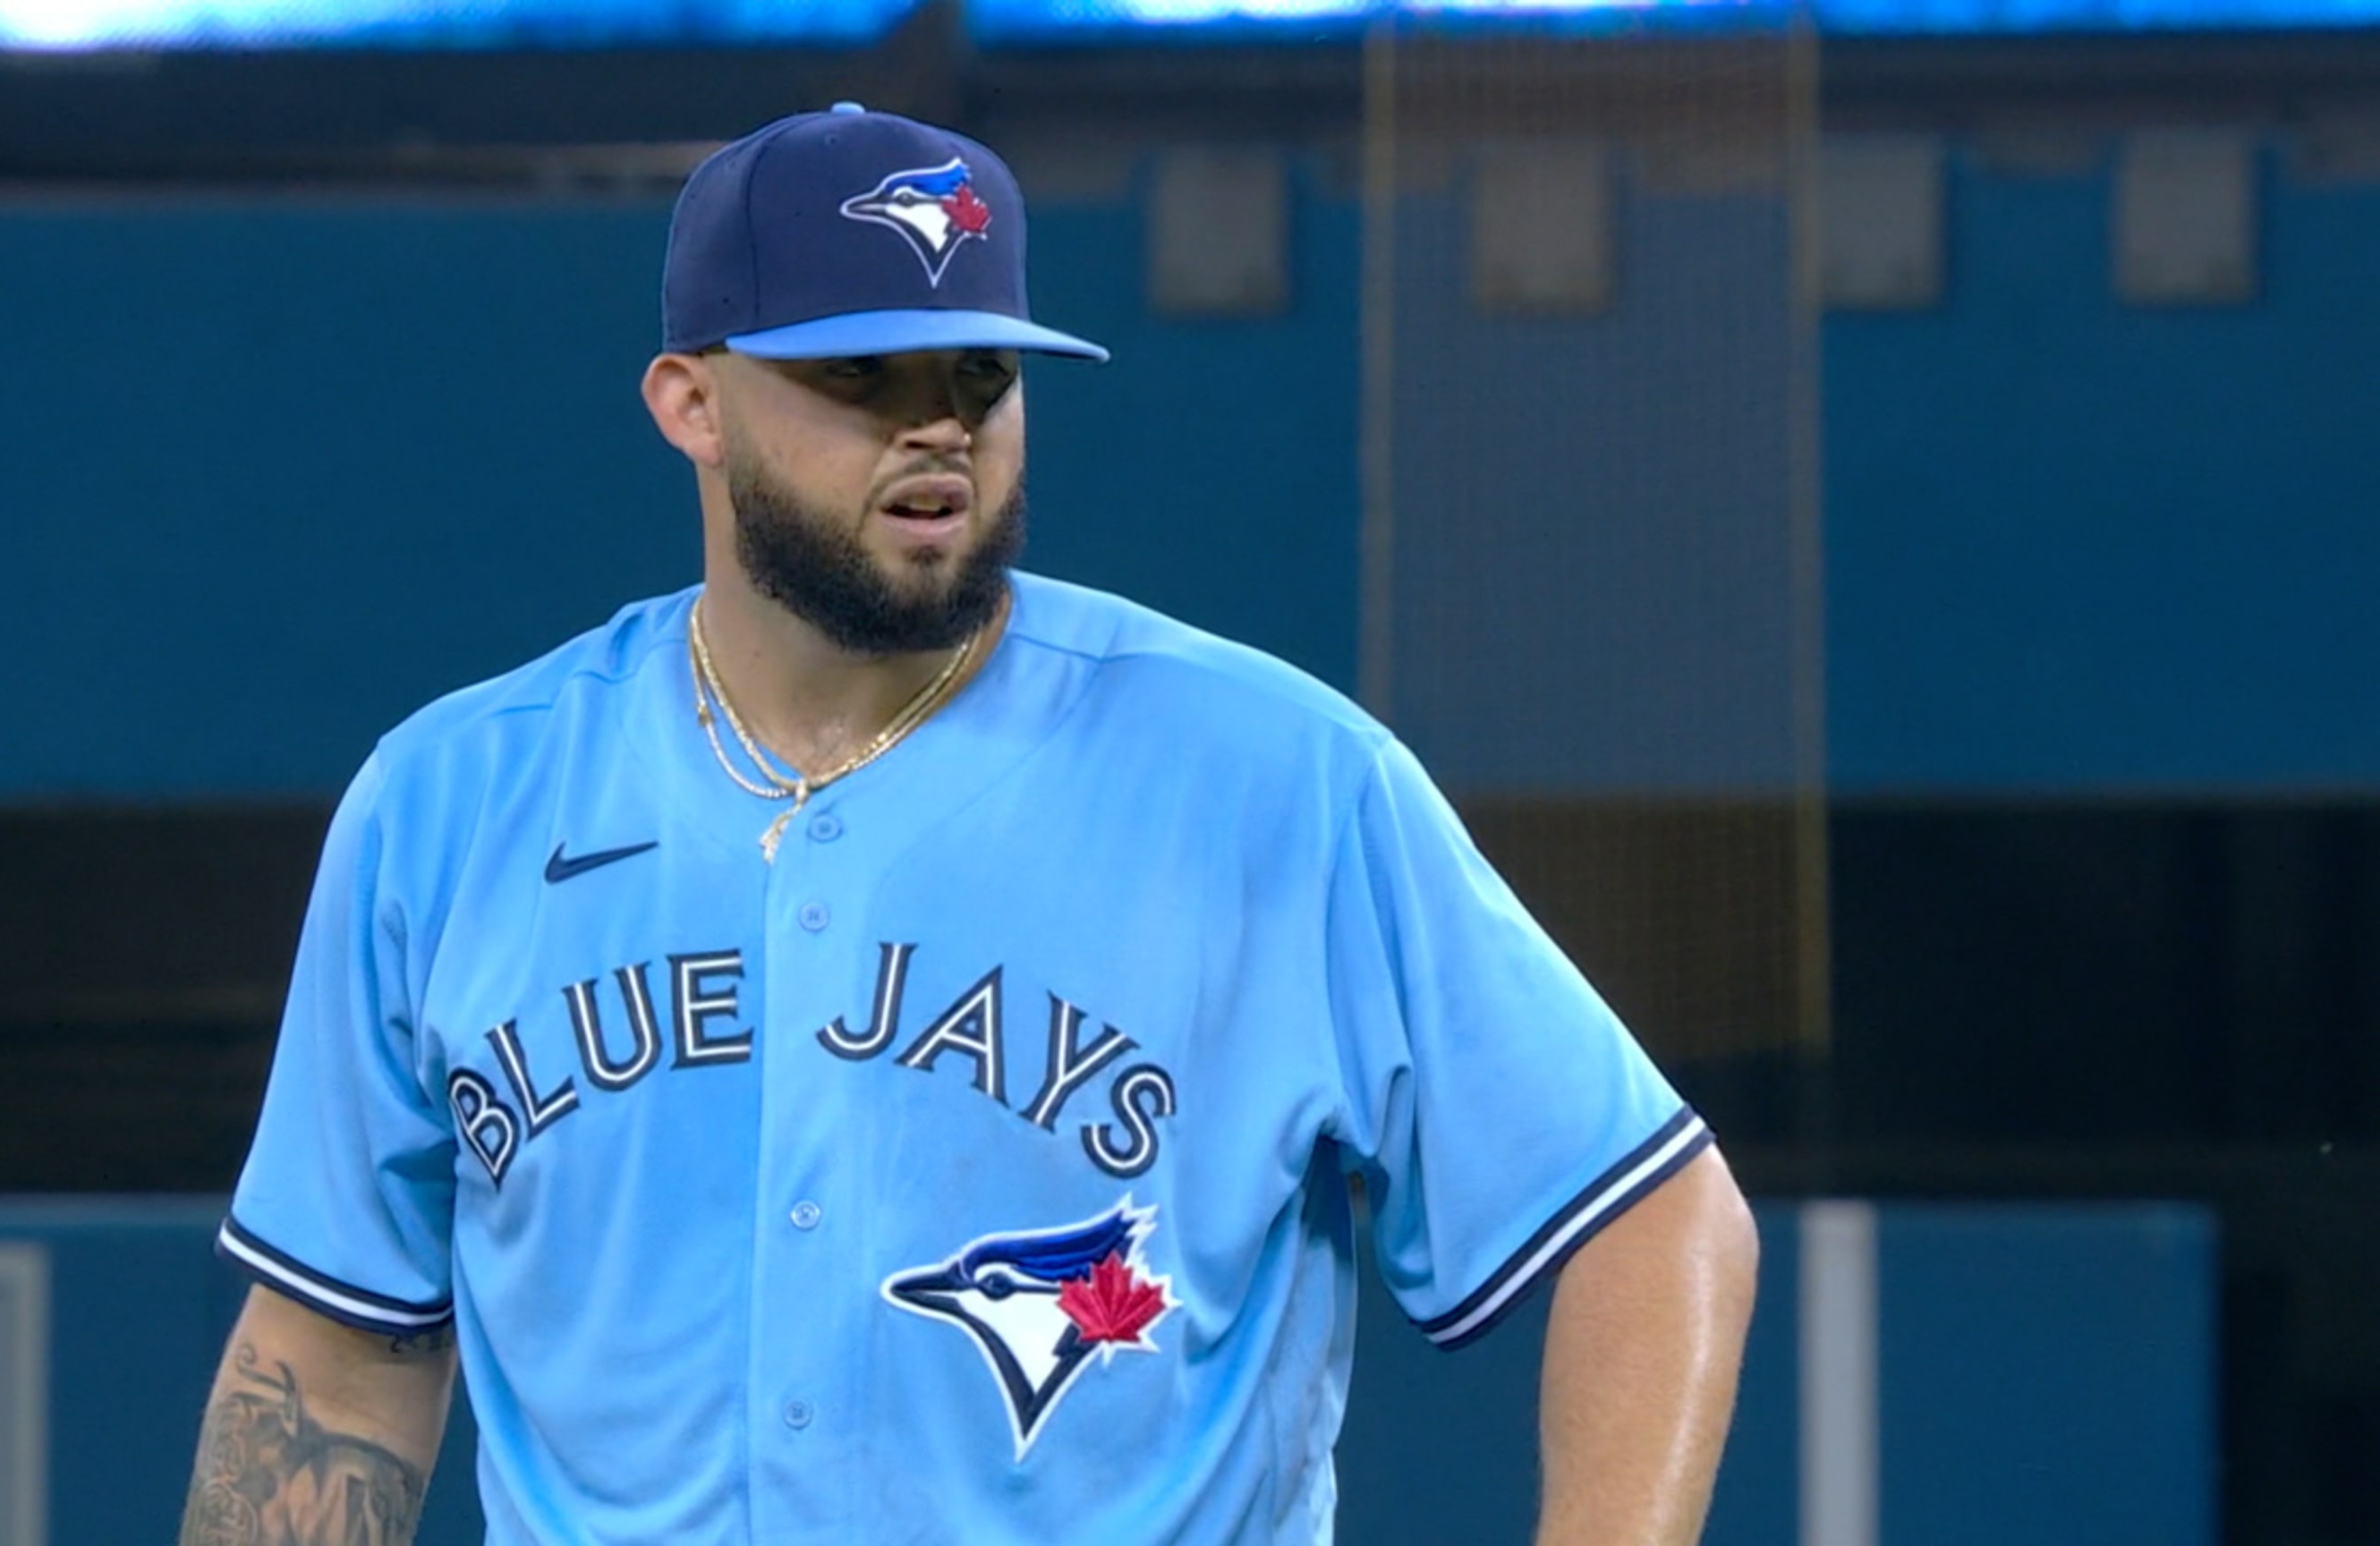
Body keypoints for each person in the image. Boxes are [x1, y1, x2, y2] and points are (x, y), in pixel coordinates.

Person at [177, 101, 1757, 1546]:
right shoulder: (451, 805)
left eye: (979, 378)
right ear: (691, 403)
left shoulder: (1272, 779)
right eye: (858, 375)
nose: (938, 428)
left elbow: (1660, 1218)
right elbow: (335, 1350)